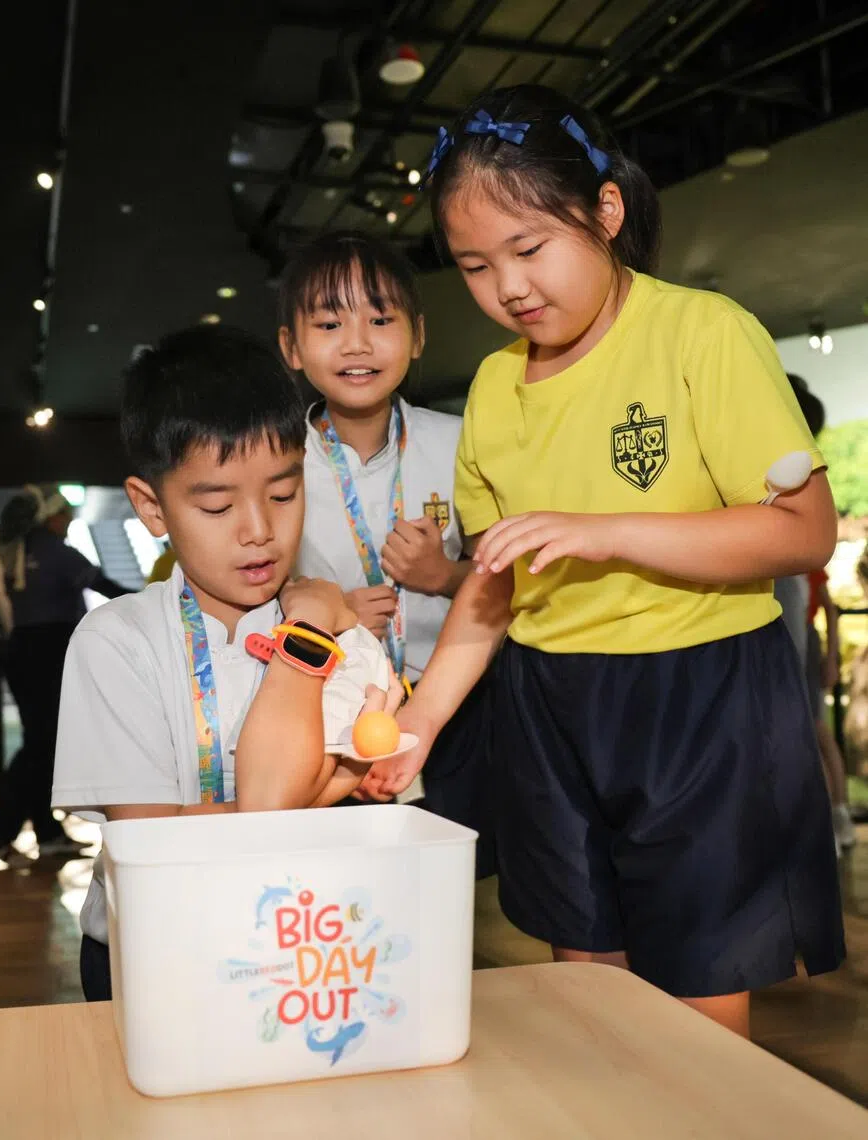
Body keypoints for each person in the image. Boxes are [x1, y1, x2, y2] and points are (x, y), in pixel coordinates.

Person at [362, 83, 844, 1039]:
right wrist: (419, 719)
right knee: (588, 995)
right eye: (473, 266)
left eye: (530, 248)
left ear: (606, 214)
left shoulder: (700, 333)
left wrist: (607, 528)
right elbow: (490, 594)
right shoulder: (495, 389)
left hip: (701, 697)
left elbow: (804, 531)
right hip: (546, 704)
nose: (509, 287)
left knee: (697, 1007)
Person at [51, 325, 399, 1002]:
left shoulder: (333, 623)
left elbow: (383, 806)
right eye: (216, 504)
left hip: (308, 948)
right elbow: (150, 847)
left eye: (283, 494)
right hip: (156, 954)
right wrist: (329, 784)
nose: (258, 530)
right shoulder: (118, 642)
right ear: (152, 507)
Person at [277, 231, 492, 867]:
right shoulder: (273, 455)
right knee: (334, 889)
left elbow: (501, 581)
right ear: (291, 345)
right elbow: (242, 588)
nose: (358, 343)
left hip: (450, 711)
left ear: (417, 335)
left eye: (380, 319)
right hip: (322, 717)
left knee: (445, 887)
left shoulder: (459, 441)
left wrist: (443, 574)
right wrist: (323, 612)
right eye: (328, 323)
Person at [0, 485, 130, 861]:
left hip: (23, 651)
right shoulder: (56, 551)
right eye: (66, 514)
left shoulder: (17, 550)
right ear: (51, 517)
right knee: (42, 747)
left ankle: (46, 833)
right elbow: (107, 587)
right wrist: (155, 599)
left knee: (41, 745)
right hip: (50, 654)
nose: (70, 521)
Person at [784, 375, 856, 852]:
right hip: (791, 632)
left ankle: (837, 815)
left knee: (812, 728)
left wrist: (829, 653)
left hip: (799, 637)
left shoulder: (801, 488)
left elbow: (824, 601)